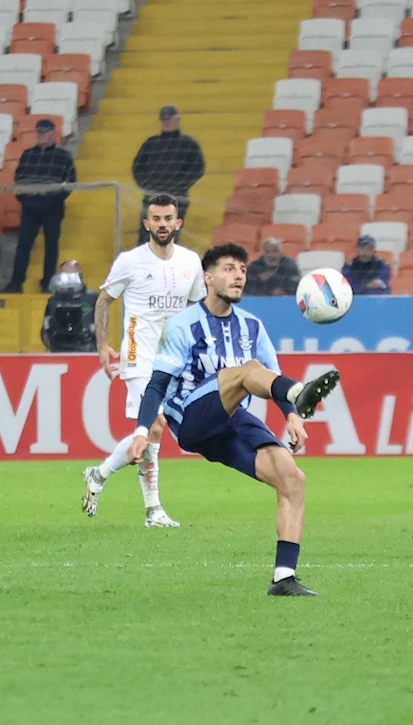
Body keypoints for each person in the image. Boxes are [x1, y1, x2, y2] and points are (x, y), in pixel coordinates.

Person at [128, 242, 340, 597]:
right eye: (229, 269)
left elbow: (272, 376)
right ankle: (300, 392)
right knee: (246, 371)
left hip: (229, 420)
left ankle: (283, 578)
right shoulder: (183, 325)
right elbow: (158, 384)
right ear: (208, 279)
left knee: (293, 479)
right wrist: (141, 430)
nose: (238, 275)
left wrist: (292, 417)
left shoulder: (252, 326)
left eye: (242, 269)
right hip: (191, 419)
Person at [83, 193, 206, 528]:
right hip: (138, 355)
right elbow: (104, 299)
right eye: (157, 219)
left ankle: (100, 473)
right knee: (154, 425)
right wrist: (102, 345)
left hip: (174, 358)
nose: (163, 224)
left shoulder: (191, 262)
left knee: (154, 434)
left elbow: (197, 309)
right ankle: (153, 510)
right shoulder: (130, 261)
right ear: (147, 223)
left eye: (168, 218)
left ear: (178, 223)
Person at [2, 119, 77, 293]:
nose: (42, 135)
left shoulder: (63, 155)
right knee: (23, 246)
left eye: (45, 131)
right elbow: (19, 180)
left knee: (51, 246)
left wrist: (54, 200)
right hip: (30, 208)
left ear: (53, 132)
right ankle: (16, 283)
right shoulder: (27, 154)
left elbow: (71, 182)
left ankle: (48, 282)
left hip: (53, 207)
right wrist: (26, 200)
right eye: (39, 132)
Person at [132, 105, 205, 245]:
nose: (166, 122)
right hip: (153, 197)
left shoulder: (188, 144)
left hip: (177, 198)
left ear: (177, 119)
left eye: (168, 119)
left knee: (169, 239)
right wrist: (149, 186)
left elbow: (198, 168)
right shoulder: (151, 143)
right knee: (146, 239)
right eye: (163, 119)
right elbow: (137, 168)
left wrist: (179, 186)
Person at [41, 260, 98, 352]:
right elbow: (45, 327)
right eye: (64, 274)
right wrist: (51, 346)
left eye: (72, 274)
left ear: (79, 275)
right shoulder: (53, 300)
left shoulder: (92, 297)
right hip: (58, 347)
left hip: (86, 347)